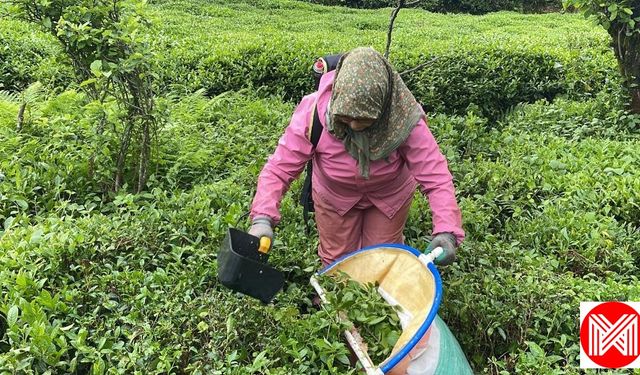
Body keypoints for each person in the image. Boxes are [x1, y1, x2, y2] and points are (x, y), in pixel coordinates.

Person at [248, 46, 464, 267]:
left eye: (365, 119)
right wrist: (263, 218)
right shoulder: (312, 112)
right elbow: (279, 169)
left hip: (389, 196)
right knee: (337, 261)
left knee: (382, 258)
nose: (354, 125)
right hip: (334, 196)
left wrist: (447, 231)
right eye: (346, 118)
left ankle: (378, 299)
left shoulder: (404, 118)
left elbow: (435, 176)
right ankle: (333, 298)